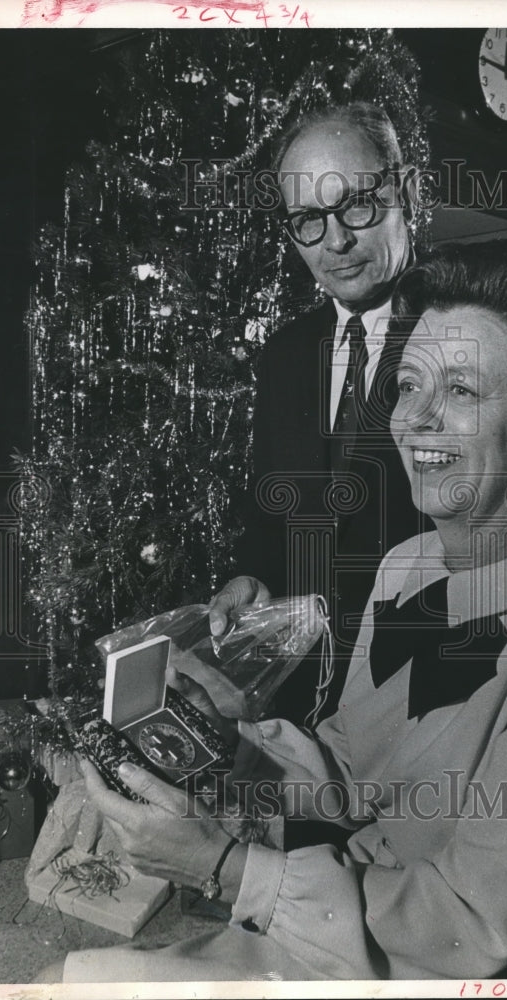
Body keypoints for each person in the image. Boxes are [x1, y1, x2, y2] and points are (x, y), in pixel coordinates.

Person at [49, 240, 507, 983]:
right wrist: (218, 750)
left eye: (463, 393)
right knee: (64, 982)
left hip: (451, 971)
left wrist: (223, 867)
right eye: (409, 386)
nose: (416, 421)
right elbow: (351, 777)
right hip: (339, 920)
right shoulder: (404, 568)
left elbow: (469, 928)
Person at [209, 102, 423, 728]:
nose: (336, 241)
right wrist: (252, 573)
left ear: (405, 191)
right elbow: (272, 501)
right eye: (308, 219)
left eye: (357, 203)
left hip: (422, 681)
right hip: (302, 682)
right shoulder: (286, 352)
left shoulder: (467, 333)